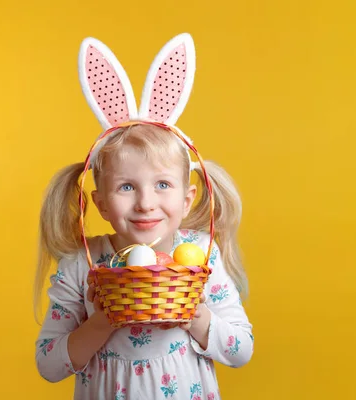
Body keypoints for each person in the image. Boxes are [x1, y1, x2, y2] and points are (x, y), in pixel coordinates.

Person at [34, 33, 254, 400]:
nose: (145, 203)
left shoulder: (201, 256)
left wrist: (195, 318)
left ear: (188, 200)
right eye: (126, 187)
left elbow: (241, 349)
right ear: (101, 203)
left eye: (163, 185)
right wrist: (101, 322)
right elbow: (48, 364)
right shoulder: (81, 265)